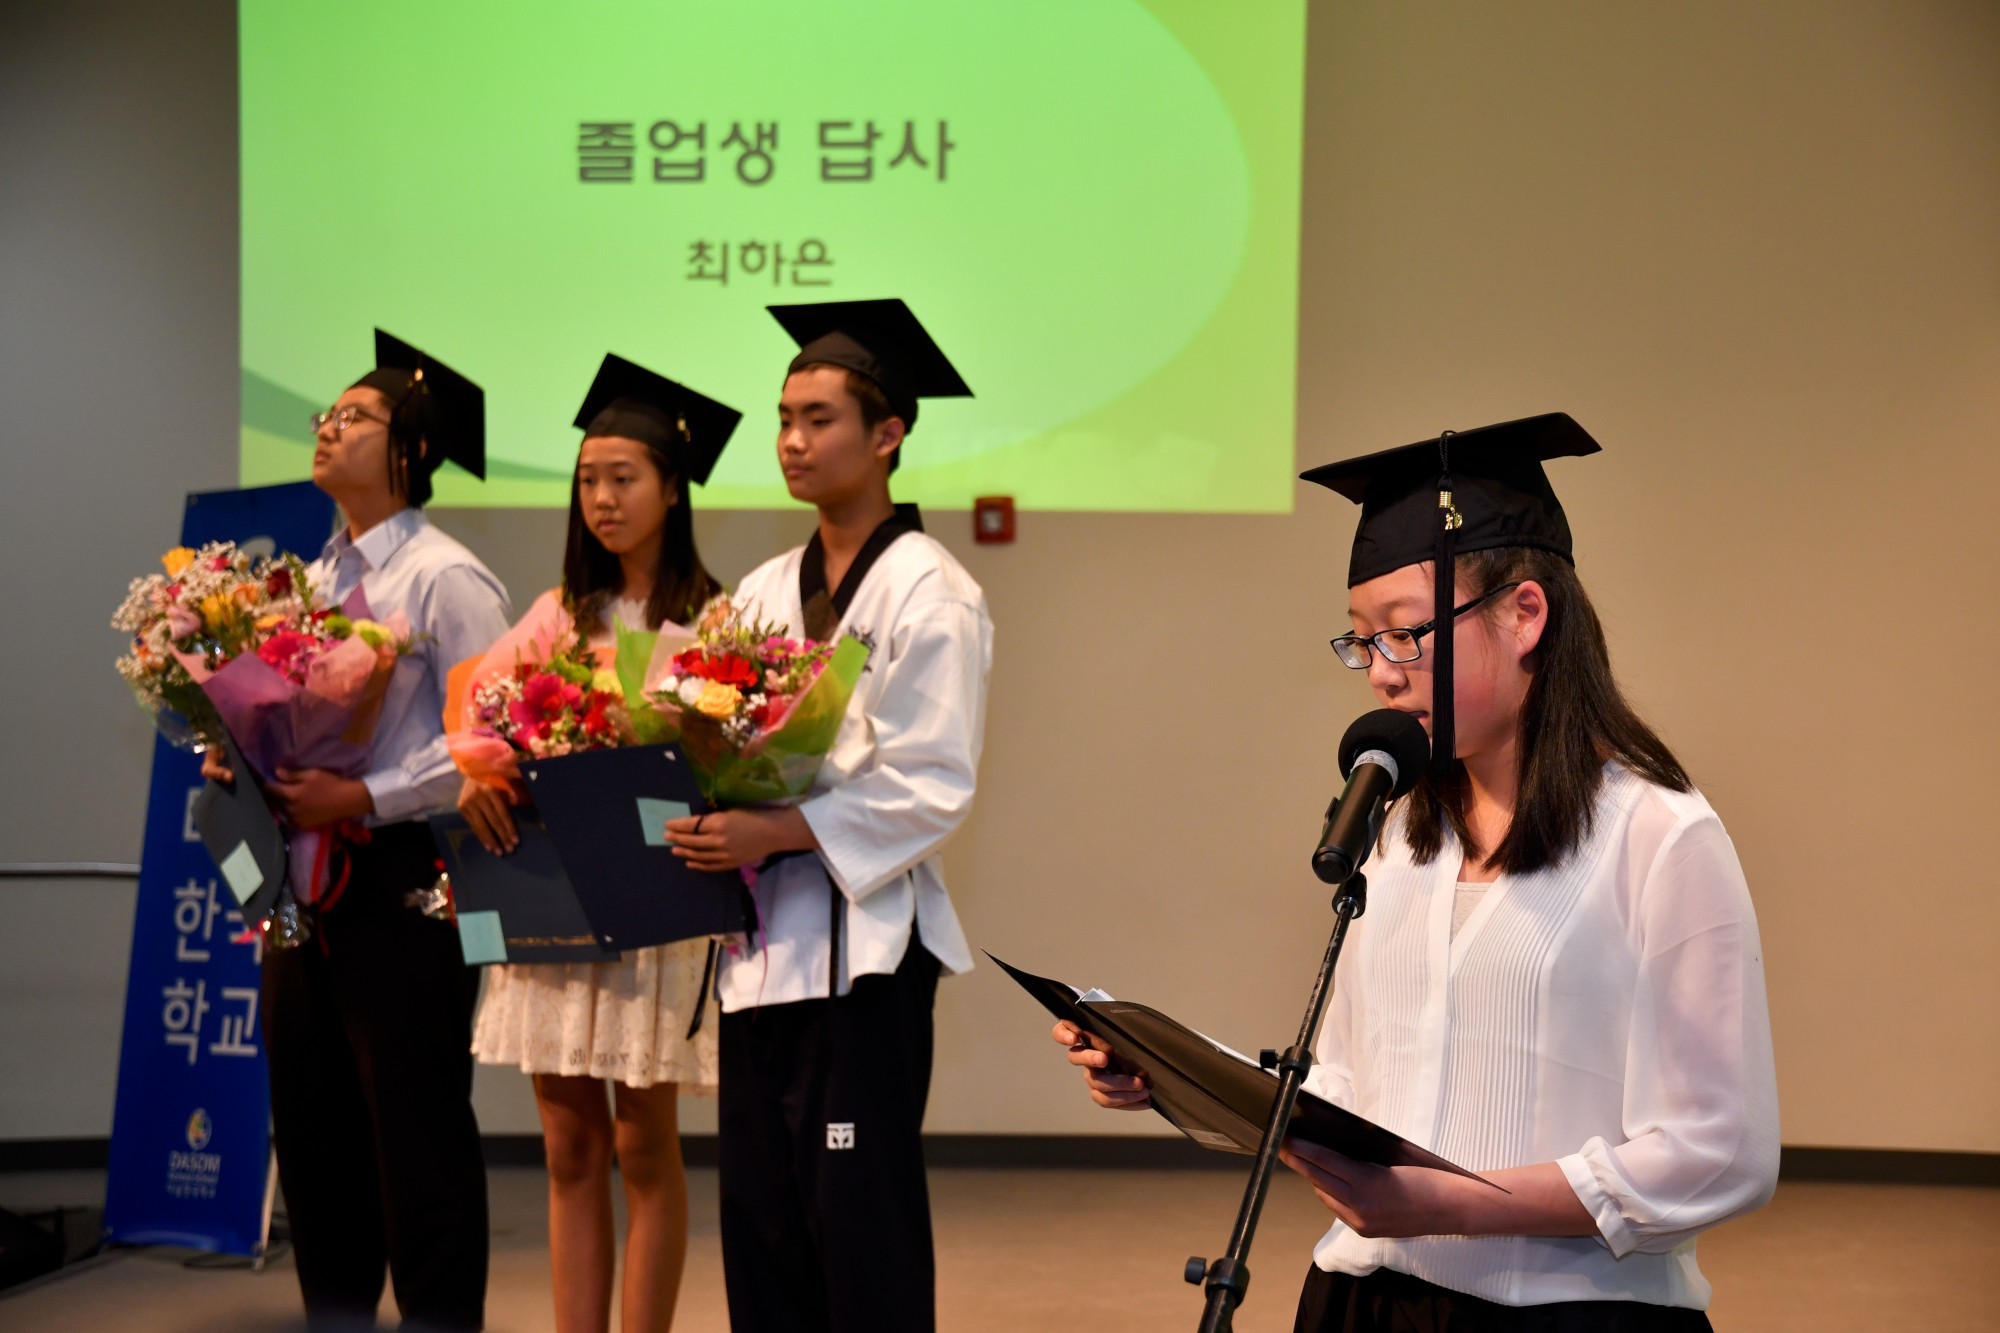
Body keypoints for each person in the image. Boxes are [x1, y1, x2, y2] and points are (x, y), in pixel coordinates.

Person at [1055, 414, 1779, 1332]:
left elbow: (1721, 1153)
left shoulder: (1661, 837)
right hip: (1361, 1298)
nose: (1380, 675)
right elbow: (1352, 1090)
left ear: (1525, 615)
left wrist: (1458, 1205)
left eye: (1403, 634)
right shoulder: (1400, 830)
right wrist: (1169, 1074)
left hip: (1563, 1312)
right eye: (1361, 641)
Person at [661, 298, 993, 1333]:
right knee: (763, 1230)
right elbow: (707, 727)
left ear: (887, 433)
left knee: (861, 1228)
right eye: (783, 418)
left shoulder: (931, 591)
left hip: (867, 961)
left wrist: (777, 829)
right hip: (762, 955)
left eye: (819, 419)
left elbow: (933, 781)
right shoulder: (763, 589)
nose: (792, 441)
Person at [204, 330, 511, 1330]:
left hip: (406, 880)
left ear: (410, 450)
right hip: (300, 882)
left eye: (354, 417)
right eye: (325, 415)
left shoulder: (446, 578)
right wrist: (241, 758)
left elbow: (484, 742)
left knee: (416, 1135)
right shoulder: (308, 576)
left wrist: (364, 796)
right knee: (315, 1129)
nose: (328, 429)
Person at [458, 353, 739, 1333]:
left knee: (642, 1143)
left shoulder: (714, 620)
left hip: (652, 903)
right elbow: (482, 717)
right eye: (587, 480)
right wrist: (481, 771)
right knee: (568, 1145)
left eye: (624, 478)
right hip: (560, 898)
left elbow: (734, 758)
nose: (603, 499)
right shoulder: (556, 615)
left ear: (673, 488)